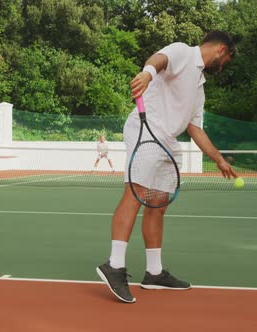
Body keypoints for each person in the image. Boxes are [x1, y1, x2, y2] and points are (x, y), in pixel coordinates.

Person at [96, 31, 239, 303]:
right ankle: (114, 266)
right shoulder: (183, 52)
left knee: (158, 204)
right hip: (146, 132)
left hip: (168, 141)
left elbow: (195, 128)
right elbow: (160, 59)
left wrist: (218, 158)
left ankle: (154, 272)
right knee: (135, 194)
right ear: (222, 50)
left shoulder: (199, 85)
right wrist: (148, 74)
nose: (226, 64)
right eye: (228, 59)